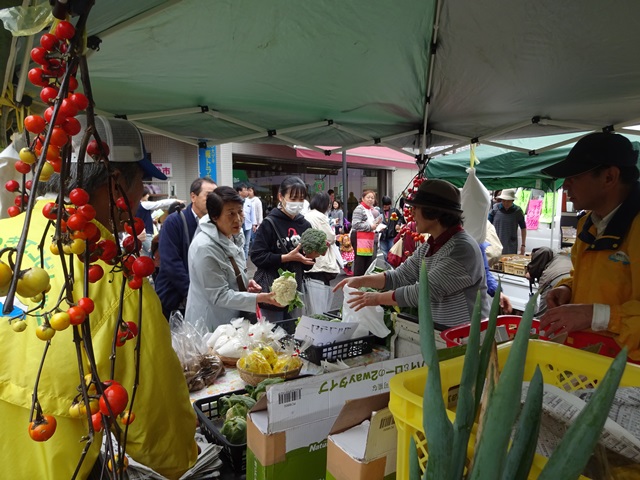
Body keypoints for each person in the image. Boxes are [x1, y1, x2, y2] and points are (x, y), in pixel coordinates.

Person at [0, 117, 197, 479]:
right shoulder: (116, 280)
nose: (140, 200)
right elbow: (159, 431)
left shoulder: (4, 232)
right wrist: (182, 454)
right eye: (142, 185)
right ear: (115, 181)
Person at [538, 132, 640, 360]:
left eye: (574, 177)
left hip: (630, 368)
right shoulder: (589, 224)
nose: (565, 186)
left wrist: (594, 315)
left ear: (609, 177)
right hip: (590, 357)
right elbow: (590, 277)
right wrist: (568, 289)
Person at [334, 179, 488, 327]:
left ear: (433, 213)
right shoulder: (430, 245)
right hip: (441, 332)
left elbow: (424, 292)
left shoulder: (461, 249)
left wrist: (376, 298)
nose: (412, 213)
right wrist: (360, 280)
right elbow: (401, 276)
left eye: (416, 208)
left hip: (467, 336)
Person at [184, 187, 280, 331]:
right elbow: (219, 295)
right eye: (230, 214)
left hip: (231, 319)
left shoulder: (232, 234)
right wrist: (261, 298)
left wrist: (244, 283)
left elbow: (228, 272)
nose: (238, 219)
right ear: (215, 217)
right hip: (210, 321)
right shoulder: (205, 248)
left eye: (240, 211)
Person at [250, 176, 315, 322]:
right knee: (272, 332)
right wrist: (286, 258)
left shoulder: (305, 225)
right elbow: (257, 256)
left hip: (295, 292)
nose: (297, 203)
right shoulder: (269, 223)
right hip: (271, 291)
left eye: (301, 199)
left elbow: (307, 265)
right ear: (281, 197)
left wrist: (312, 255)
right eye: (293, 198)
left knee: (294, 330)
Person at [154, 177, 217, 319]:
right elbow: (171, 263)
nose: (213, 200)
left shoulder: (214, 224)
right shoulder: (174, 221)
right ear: (193, 197)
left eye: (216, 196)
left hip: (204, 298)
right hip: (175, 298)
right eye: (208, 195)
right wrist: (192, 293)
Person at [135, 186, 183, 257]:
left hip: (140, 234)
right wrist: (175, 200)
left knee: (145, 255)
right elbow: (160, 203)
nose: (148, 195)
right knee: (152, 255)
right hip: (146, 234)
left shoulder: (136, 206)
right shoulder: (144, 204)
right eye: (147, 194)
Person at [304, 192, 340, 285]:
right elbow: (330, 237)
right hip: (320, 260)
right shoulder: (320, 216)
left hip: (309, 259)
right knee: (322, 289)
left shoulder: (307, 215)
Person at [525, 247, 572, 316]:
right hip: (572, 282)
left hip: (555, 281)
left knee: (544, 317)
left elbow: (545, 250)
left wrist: (531, 272)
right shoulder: (569, 257)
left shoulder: (553, 253)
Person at [350, 189, 382, 276]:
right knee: (360, 264)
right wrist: (370, 227)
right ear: (363, 198)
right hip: (359, 238)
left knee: (368, 263)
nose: (370, 199)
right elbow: (355, 224)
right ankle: (357, 282)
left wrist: (377, 226)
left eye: (372, 198)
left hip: (368, 238)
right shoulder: (359, 209)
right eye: (368, 197)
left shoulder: (370, 210)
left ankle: (365, 281)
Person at [488, 188, 527, 254]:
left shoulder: (517, 211)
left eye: (508, 201)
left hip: (511, 244)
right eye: (504, 201)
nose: (506, 203)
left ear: (512, 200)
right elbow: (488, 225)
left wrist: (523, 245)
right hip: (496, 243)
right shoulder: (495, 209)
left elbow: (523, 228)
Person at [379, 195, 404, 261]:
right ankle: (387, 265)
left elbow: (401, 217)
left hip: (392, 235)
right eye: (384, 205)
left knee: (392, 252)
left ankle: (391, 265)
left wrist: (398, 224)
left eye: (387, 205)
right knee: (384, 253)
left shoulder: (394, 211)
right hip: (383, 236)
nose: (386, 207)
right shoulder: (379, 211)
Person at [236, 183, 254, 259]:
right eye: (245, 190)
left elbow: (252, 213)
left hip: (248, 225)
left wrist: (254, 224)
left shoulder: (249, 201)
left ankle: (245, 261)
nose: (247, 192)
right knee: (239, 244)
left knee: (246, 244)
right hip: (238, 225)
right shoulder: (235, 201)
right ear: (239, 192)